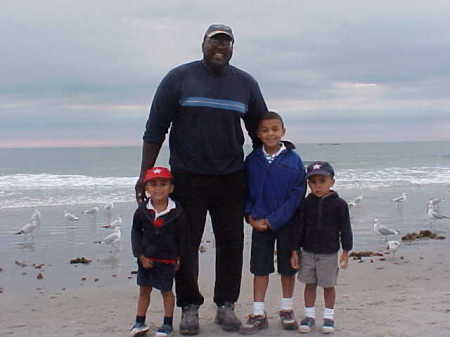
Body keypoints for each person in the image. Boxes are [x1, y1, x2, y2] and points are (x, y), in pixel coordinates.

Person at [135, 24, 268, 335]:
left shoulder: (245, 83)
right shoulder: (178, 78)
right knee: (185, 245)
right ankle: (190, 307)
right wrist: (145, 174)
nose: (221, 48)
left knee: (231, 244)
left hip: (232, 178)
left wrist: (266, 176)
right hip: (187, 177)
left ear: (233, 47)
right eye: (215, 42)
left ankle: (226, 306)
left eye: (227, 43)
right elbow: (155, 129)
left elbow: (260, 132)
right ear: (203, 44)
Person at [239, 111, 306, 335]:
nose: (270, 134)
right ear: (258, 134)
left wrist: (275, 220)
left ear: (283, 132)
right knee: (260, 267)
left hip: (286, 224)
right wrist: (250, 216)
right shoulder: (252, 160)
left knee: (287, 268)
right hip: (259, 223)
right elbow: (245, 192)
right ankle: (258, 312)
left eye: (275, 129)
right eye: (265, 130)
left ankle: (287, 309)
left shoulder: (293, 160)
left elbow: (297, 194)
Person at [290, 161, 353, 334]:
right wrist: (294, 251)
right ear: (308, 183)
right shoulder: (305, 204)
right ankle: (309, 317)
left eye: (322, 181)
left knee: (328, 286)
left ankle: (329, 317)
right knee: (309, 285)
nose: (318, 186)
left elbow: (345, 229)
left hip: (329, 254)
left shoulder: (340, 204)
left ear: (332, 182)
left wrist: (346, 252)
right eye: (313, 182)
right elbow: (298, 229)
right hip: (308, 252)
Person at [130, 167, 187, 337]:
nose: (158, 188)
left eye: (163, 184)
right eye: (153, 184)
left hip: (167, 260)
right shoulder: (141, 211)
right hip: (146, 259)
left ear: (171, 188)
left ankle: (167, 324)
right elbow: (135, 233)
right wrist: (140, 255)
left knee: (167, 292)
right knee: (144, 291)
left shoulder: (177, 212)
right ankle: (140, 322)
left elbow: (183, 237)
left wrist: (179, 257)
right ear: (147, 188)